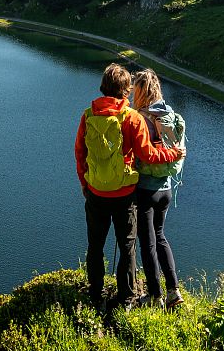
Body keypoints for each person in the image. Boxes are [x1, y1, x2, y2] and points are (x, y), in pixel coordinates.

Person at [75, 63, 183, 310]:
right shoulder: (132, 118)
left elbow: (80, 153)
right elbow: (148, 154)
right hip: (125, 194)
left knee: (95, 246)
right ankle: (126, 298)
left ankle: (95, 295)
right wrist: (174, 154)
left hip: (95, 193)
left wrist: (85, 184)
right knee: (127, 247)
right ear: (126, 90)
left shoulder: (88, 115)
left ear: (104, 86)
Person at [130, 69, 187, 308]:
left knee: (147, 243)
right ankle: (174, 291)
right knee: (161, 236)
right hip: (166, 188)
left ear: (140, 92)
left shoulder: (139, 118)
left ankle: (155, 296)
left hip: (145, 189)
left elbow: (137, 153)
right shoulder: (170, 115)